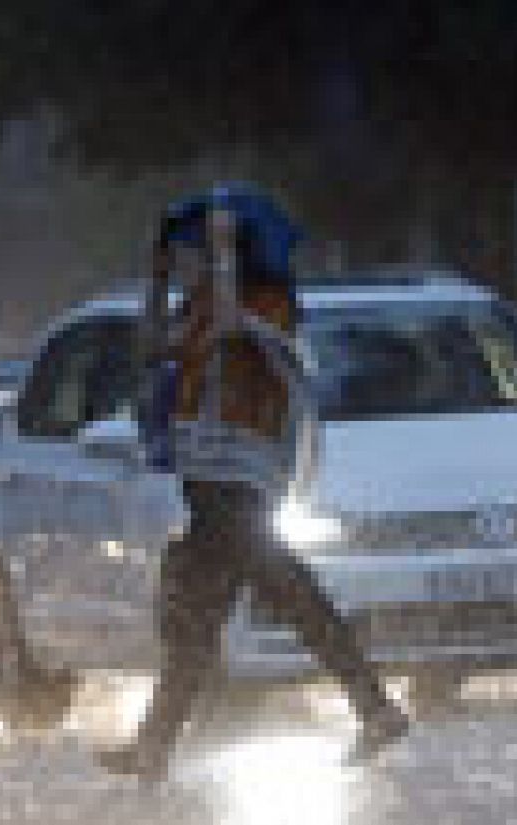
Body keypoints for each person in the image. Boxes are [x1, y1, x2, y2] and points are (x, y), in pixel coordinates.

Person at [96, 187, 408, 781]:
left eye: (219, 248)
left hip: (242, 480)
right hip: (205, 482)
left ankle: (374, 708)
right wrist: (156, 276)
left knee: (248, 598)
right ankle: (156, 745)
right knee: (204, 611)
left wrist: (220, 251)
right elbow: (150, 347)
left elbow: (237, 334)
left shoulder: (269, 302)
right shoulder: (200, 303)